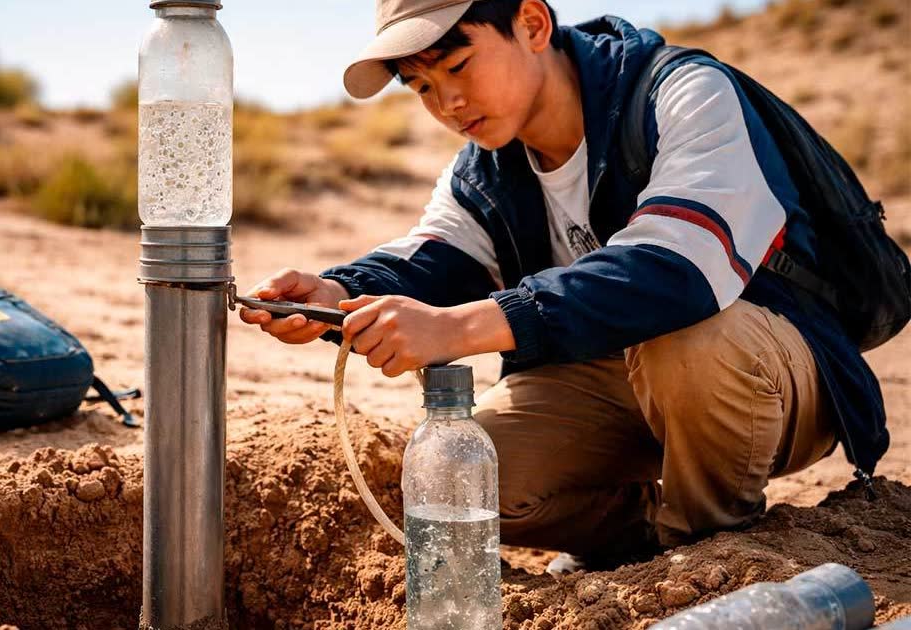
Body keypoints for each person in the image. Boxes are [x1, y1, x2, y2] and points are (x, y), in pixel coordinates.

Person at [238, 0, 888, 573]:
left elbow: (675, 269)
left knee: (681, 336)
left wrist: (460, 327)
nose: (447, 103)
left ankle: (711, 550)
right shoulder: (483, 173)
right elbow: (432, 258)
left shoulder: (684, 92)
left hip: (773, 377)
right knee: (465, 475)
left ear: (531, 24)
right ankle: (645, 542)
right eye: (423, 86)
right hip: (624, 383)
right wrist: (335, 294)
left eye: (458, 66)